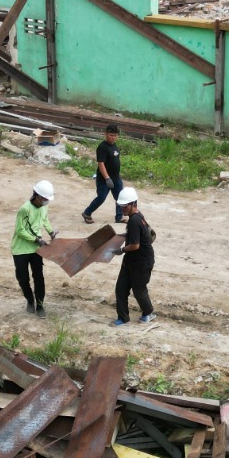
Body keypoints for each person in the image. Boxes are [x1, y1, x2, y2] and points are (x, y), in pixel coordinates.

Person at [111, 188, 156, 326]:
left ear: (133, 204)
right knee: (121, 289)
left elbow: (135, 245)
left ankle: (148, 313)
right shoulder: (136, 217)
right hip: (131, 261)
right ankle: (123, 318)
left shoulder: (135, 221)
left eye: (125, 206)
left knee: (139, 290)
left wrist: (121, 250)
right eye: (121, 206)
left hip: (142, 262)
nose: (123, 209)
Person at [11, 180, 57, 316]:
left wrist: (51, 232)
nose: (46, 202)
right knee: (23, 278)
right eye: (45, 199)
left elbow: (44, 219)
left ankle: (40, 305)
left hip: (36, 249)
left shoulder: (43, 207)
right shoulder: (24, 209)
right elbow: (20, 230)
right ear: (37, 196)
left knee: (39, 277)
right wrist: (37, 239)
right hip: (20, 249)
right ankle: (30, 300)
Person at [81, 125, 124, 224]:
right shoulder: (102, 147)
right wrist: (107, 178)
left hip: (116, 178)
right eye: (111, 135)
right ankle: (87, 213)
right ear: (105, 134)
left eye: (115, 135)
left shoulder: (115, 146)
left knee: (120, 198)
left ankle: (119, 217)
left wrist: (117, 175)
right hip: (104, 179)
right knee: (101, 197)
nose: (113, 137)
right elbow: (101, 164)